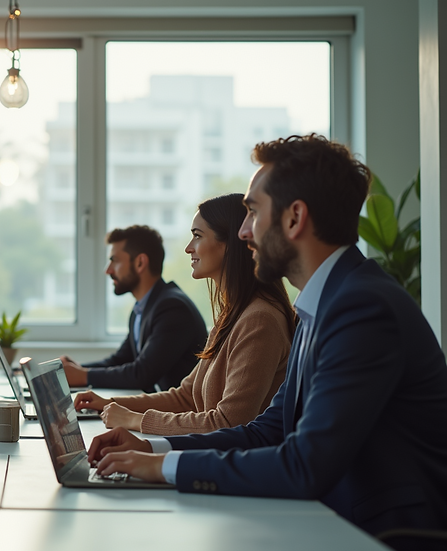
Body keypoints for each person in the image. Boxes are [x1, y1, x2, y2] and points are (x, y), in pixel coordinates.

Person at [89, 135, 447, 543]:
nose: (244, 232)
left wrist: (162, 468)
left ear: (295, 218)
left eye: (254, 212)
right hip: (333, 518)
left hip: (380, 534)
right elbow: (267, 431)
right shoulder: (322, 304)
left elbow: (304, 465)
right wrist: (152, 450)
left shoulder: (362, 308)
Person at [74, 194, 294, 436]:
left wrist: (135, 420)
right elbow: (185, 397)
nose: (189, 247)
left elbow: (228, 423)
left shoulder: (259, 320)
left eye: (197, 236)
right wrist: (110, 404)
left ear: (229, 243)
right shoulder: (231, 315)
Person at [61, 225, 208, 392]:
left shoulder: (173, 308)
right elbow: (121, 360)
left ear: (140, 263)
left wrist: (83, 376)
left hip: (185, 407)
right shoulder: (142, 308)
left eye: (114, 260)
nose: (108, 270)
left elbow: (142, 374)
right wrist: (77, 369)